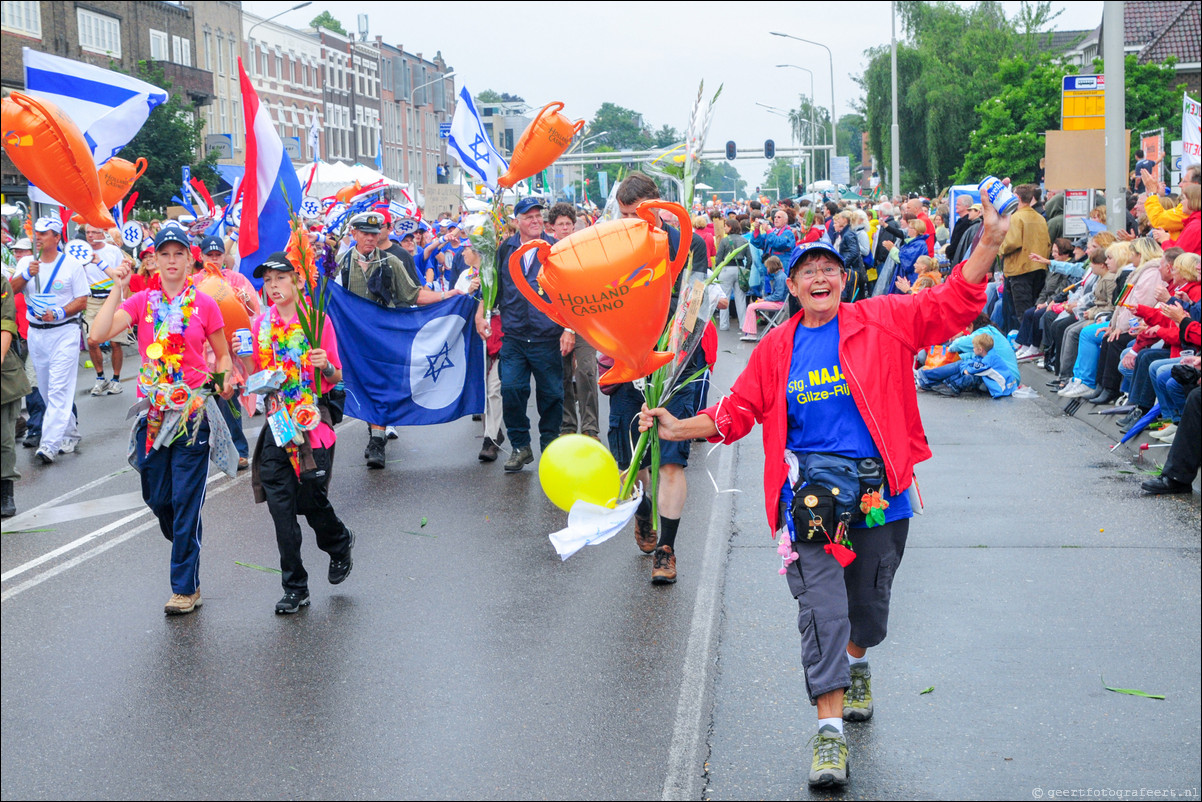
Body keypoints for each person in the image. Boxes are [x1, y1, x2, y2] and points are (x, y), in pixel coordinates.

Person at [638, 194, 1009, 789]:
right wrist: (678, 425)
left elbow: (949, 305)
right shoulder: (779, 345)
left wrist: (987, 244)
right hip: (809, 500)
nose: (819, 277)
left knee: (868, 610)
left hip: (879, 494)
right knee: (822, 613)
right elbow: (740, 409)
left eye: (828, 269)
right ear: (791, 283)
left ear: (844, 279)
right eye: (807, 270)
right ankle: (829, 736)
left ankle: (858, 660)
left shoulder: (883, 318)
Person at [87, 226, 236, 615]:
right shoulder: (141, 301)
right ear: (154, 260)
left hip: (192, 415)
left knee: (186, 501)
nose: (171, 261)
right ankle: (187, 544)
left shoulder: (206, 304)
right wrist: (117, 287)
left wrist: (220, 384)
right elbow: (97, 333)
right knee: (158, 498)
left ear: (191, 259)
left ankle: (185, 588)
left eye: (178, 254)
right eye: (164, 254)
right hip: (152, 416)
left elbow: (221, 356)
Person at [247, 253, 354, 614]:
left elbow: (336, 375)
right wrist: (242, 361)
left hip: (312, 424)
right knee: (281, 511)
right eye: (268, 281)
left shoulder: (316, 321)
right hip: (278, 426)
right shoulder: (261, 324)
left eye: (280, 278)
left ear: (297, 281)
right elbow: (258, 379)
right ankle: (295, 587)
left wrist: (327, 366)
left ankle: (339, 541)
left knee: (309, 502)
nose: (273, 286)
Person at [337, 211, 451, 468]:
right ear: (353, 234)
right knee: (361, 386)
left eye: (374, 234)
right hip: (352, 338)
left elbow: (414, 295)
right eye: (364, 233)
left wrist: (448, 296)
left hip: (382, 337)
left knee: (379, 386)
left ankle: (377, 441)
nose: (370, 238)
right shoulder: (341, 262)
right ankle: (374, 433)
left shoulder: (391, 263)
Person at [476, 197, 571, 473]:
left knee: (552, 395)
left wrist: (569, 329)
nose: (535, 221)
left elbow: (570, 291)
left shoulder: (554, 249)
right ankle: (520, 446)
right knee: (511, 390)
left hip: (546, 337)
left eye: (538, 216)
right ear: (516, 221)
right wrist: (482, 313)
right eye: (528, 216)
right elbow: (490, 285)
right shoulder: (504, 249)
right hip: (515, 336)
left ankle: (551, 446)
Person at [9, 217, 89, 464]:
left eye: (45, 233)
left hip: (64, 331)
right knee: (45, 391)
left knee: (58, 389)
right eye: (38, 233)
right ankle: (70, 432)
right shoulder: (26, 262)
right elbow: (11, 290)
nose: (40, 237)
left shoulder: (71, 265)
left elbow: (82, 300)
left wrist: (59, 312)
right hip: (36, 333)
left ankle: (49, 445)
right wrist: (25, 273)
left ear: (57, 237)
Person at [548, 203, 599, 440]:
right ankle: (568, 424)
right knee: (563, 374)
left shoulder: (582, 251)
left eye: (569, 224)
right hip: (555, 323)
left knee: (587, 371)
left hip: (583, 321)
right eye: (561, 224)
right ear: (552, 228)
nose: (566, 228)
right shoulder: (546, 254)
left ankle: (590, 427)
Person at [82, 225, 129, 396]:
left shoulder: (113, 251)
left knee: (115, 342)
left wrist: (120, 299)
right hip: (92, 300)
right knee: (92, 341)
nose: (91, 235)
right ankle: (100, 378)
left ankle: (116, 379)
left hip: (112, 299)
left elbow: (122, 277)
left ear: (103, 233)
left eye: (94, 232)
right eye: (88, 232)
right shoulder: (80, 251)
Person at [998, 184, 1050, 331]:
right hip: (1039, 268)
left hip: (1020, 269)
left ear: (1017, 198)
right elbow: (1047, 242)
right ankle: (1032, 342)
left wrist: (999, 249)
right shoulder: (1040, 217)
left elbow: (1011, 243)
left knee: (1021, 312)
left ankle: (1025, 342)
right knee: (1034, 308)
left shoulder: (1016, 218)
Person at [1, 274, 31, 518]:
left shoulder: (1, 283)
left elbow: (6, 325)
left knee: (3, 439)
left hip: (3, 374)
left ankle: (5, 492)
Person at [741, 255, 788, 341]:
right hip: (780, 303)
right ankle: (750, 332)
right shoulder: (780, 276)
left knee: (751, 307)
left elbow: (778, 296)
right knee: (753, 306)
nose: (767, 269)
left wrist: (764, 300)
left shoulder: (780, 278)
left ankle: (751, 333)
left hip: (779, 304)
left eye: (768, 267)